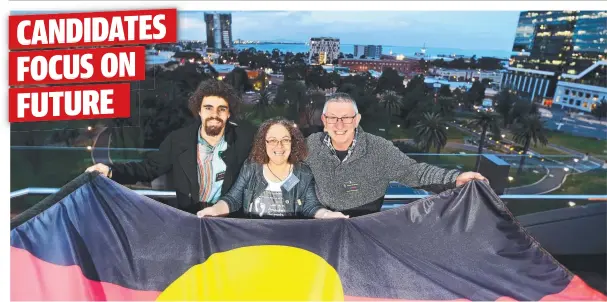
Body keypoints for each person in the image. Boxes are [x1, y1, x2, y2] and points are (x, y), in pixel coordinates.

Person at [85, 79, 255, 215]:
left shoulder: (245, 139)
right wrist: (110, 171)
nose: (214, 115)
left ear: (229, 114)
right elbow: (149, 168)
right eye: (208, 108)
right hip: (191, 221)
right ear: (199, 111)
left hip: (231, 224)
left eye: (221, 109)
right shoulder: (178, 140)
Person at [305, 93, 487, 217]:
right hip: (322, 223)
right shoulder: (311, 145)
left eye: (346, 118)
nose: (339, 124)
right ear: (324, 121)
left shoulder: (379, 148)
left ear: (357, 120)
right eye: (332, 118)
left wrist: (455, 179)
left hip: (364, 225)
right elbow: (288, 174)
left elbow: (415, 172)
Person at [197, 118, 348, 219]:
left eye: (285, 140)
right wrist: (214, 210)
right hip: (253, 243)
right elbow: (233, 199)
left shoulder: (303, 173)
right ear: (264, 144)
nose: (279, 146)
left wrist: (328, 215)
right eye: (272, 140)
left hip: (288, 245)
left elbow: (311, 206)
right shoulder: (251, 168)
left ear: (293, 143)